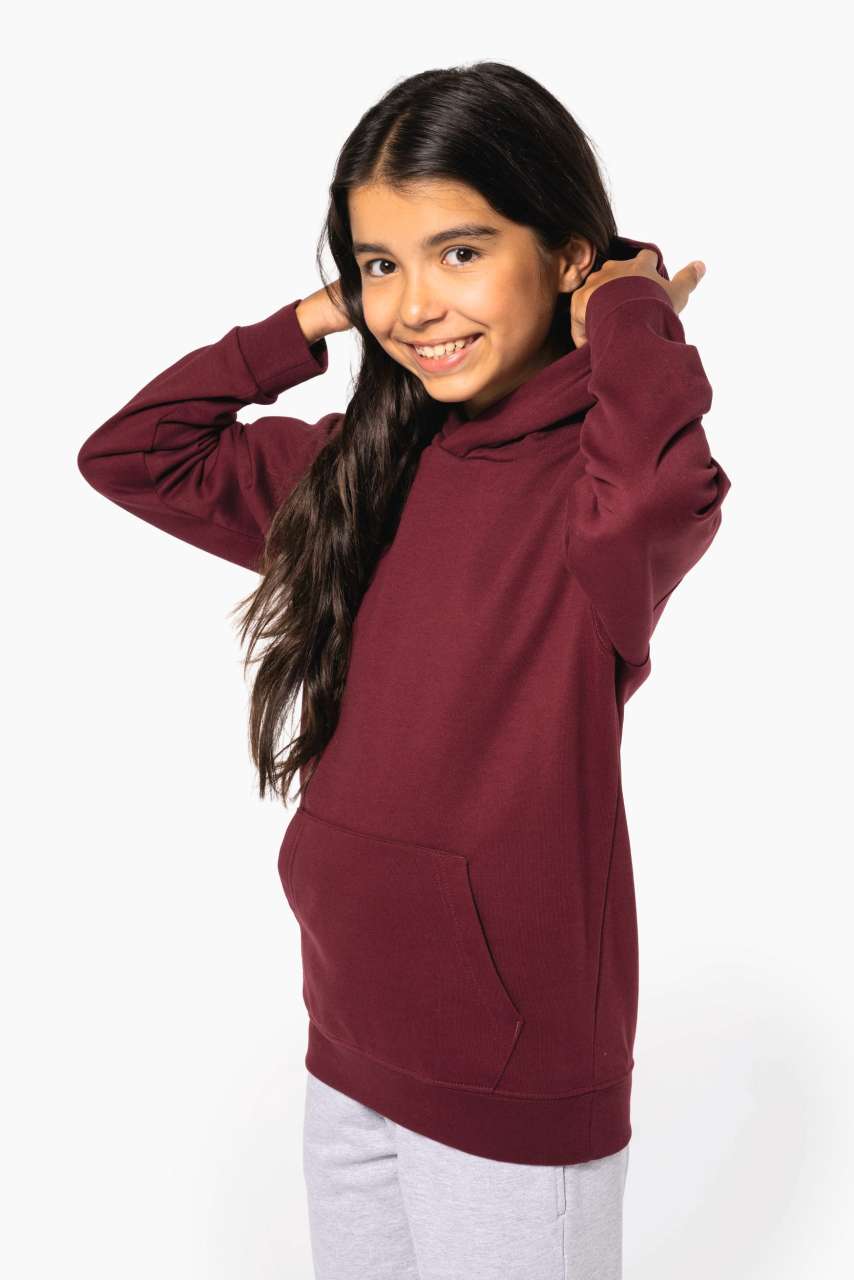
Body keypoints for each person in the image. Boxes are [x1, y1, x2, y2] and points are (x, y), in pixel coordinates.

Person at [77, 60, 731, 1280]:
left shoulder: (596, 502)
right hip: (349, 1034)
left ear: (566, 257)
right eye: (382, 263)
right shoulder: (357, 471)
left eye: (460, 252)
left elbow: (662, 487)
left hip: (512, 1079)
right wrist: (313, 318)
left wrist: (634, 305)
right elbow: (132, 455)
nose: (415, 303)